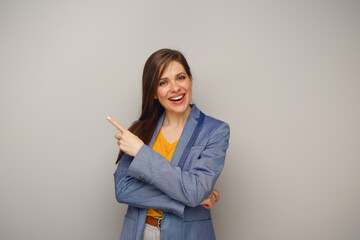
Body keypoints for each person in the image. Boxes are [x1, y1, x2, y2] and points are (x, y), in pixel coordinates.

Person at [107, 49, 230, 240]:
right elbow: (123, 190)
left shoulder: (215, 131)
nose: (175, 88)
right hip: (139, 233)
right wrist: (190, 198)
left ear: (190, 80)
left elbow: (196, 191)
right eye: (163, 82)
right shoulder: (138, 130)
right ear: (154, 92)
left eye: (180, 78)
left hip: (187, 235)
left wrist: (142, 152)